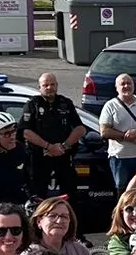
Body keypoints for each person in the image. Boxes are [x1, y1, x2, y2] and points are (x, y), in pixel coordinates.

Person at [20, 73, 87, 201]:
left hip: (63, 157)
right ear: (40, 87)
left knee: (69, 196)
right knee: (37, 197)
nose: (49, 87)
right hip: (39, 159)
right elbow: (25, 132)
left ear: (57, 86)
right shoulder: (33, 104)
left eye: (52, 84)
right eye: (45, 85)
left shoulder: (66, 103)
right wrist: (49, 147)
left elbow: (80, 129)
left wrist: (64, 146)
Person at [97, 73, 136, 192]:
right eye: (122, 84)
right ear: (116, 88)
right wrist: (127, 137)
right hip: (120, 158)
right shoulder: (110, 106)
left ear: (133, 86)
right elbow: (104, 131)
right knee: (123, 190)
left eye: (129, 83)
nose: (126, 86)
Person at [29, 194, 102, 255]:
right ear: (39, 221)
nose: (59, 221)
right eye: (52, 216)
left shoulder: (79, 250)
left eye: (64, 217)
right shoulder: (29, 254)